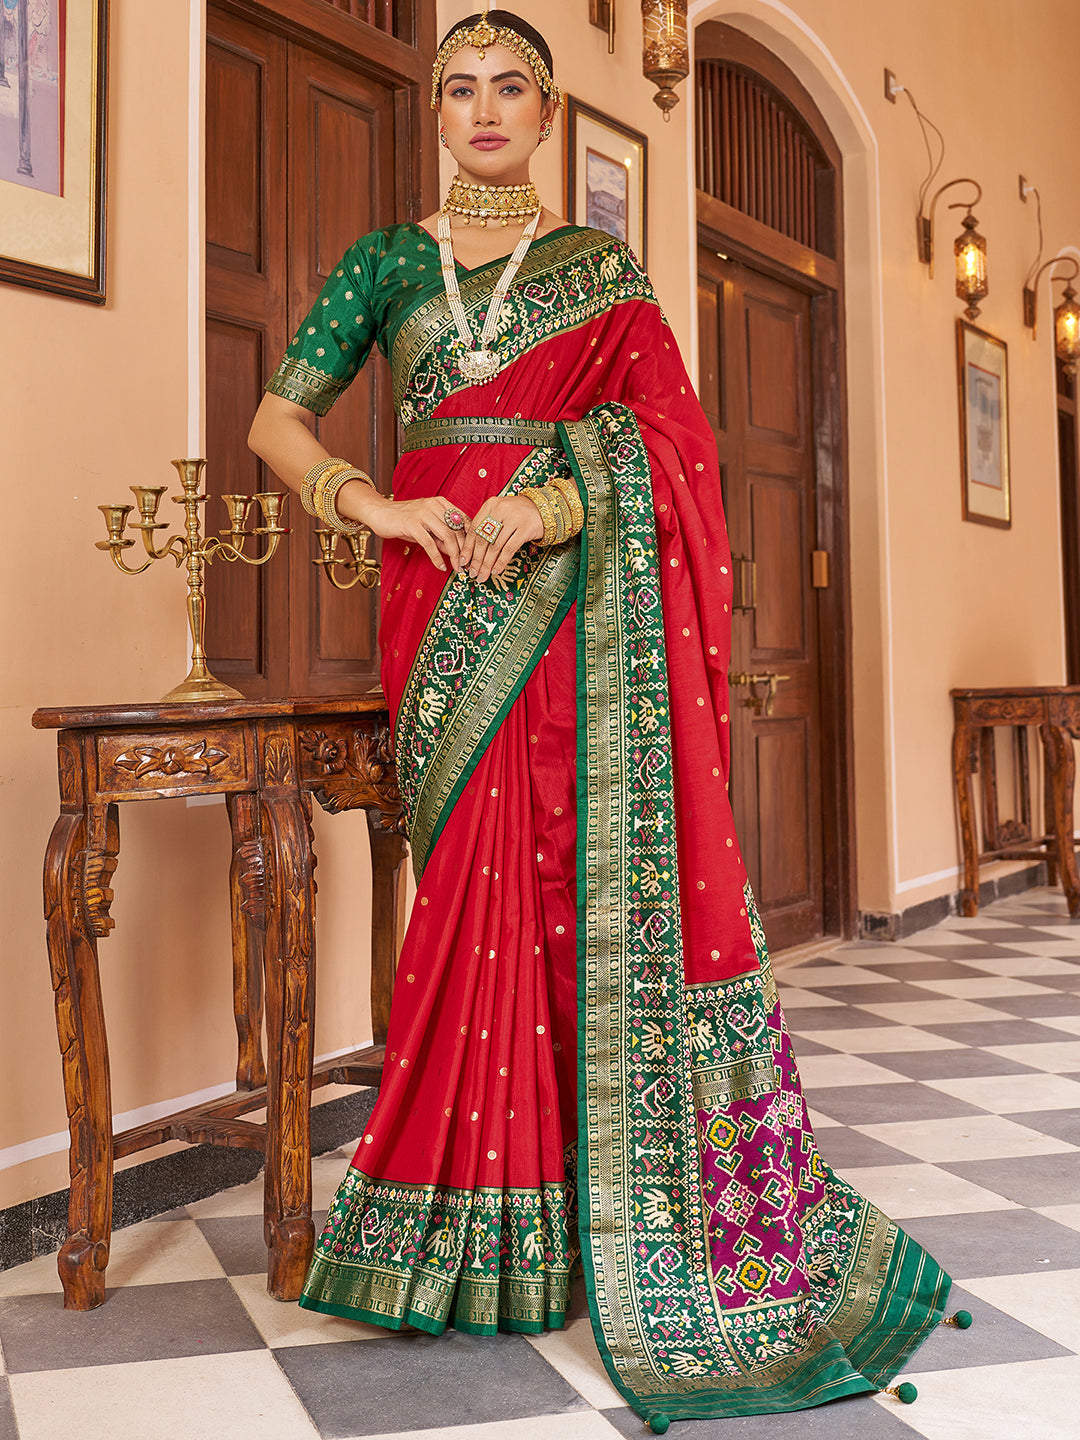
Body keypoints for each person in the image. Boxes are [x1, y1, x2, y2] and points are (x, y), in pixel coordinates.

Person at [248, 9, 957, 1430]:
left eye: (513, 86)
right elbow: (281, 420)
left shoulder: (602, 271)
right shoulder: (385, 264)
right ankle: (464, 1219)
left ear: (551, 111)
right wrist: (378, 503)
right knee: (467, 888)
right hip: (434, 598)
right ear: (436, 113)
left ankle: (596, 1206)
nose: (486, 109)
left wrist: (561, 494)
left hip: (568, 597)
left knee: (578, 880)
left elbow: (676, 447)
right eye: (461, 88)